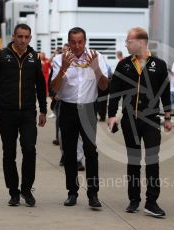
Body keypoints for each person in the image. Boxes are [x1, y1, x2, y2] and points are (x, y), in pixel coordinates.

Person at [108, 27, 172, 217]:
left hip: (151, 120)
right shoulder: (123, 65)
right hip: (130, 120)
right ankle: (134, 199)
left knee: (152, 160)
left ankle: (151, 202)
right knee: (133, 160)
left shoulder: (158, 65)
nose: (126, 44)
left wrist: (168, 117)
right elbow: (114, 93)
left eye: (129, 41)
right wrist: (111, 115)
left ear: (140, 43)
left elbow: (165, 93)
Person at [0, 23, 47, 207]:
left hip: (28, 112)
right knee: (9, 153)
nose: (23, 40)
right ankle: (13, 192)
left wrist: (43, 109)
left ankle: (26, 190)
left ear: (30, 37)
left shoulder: (34, 57)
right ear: (13, 36)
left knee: (29, 150)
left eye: (26, 37)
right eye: (20, 36)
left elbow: (41, 86)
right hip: (6, 112)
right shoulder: (1, 56)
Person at [51, 27, 109, 208]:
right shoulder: (59, 59)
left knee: (91, 152)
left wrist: (96, 69)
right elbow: (54, 88)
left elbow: (105, 86)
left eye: (80, 42)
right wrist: (63, 69)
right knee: (69, 153)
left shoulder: (96, 56)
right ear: (68, 42)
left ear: (85, 41)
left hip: (88, 109)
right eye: (73, 42)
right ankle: (72, 192)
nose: (77, 46)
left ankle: (93, 194)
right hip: (67, 109)